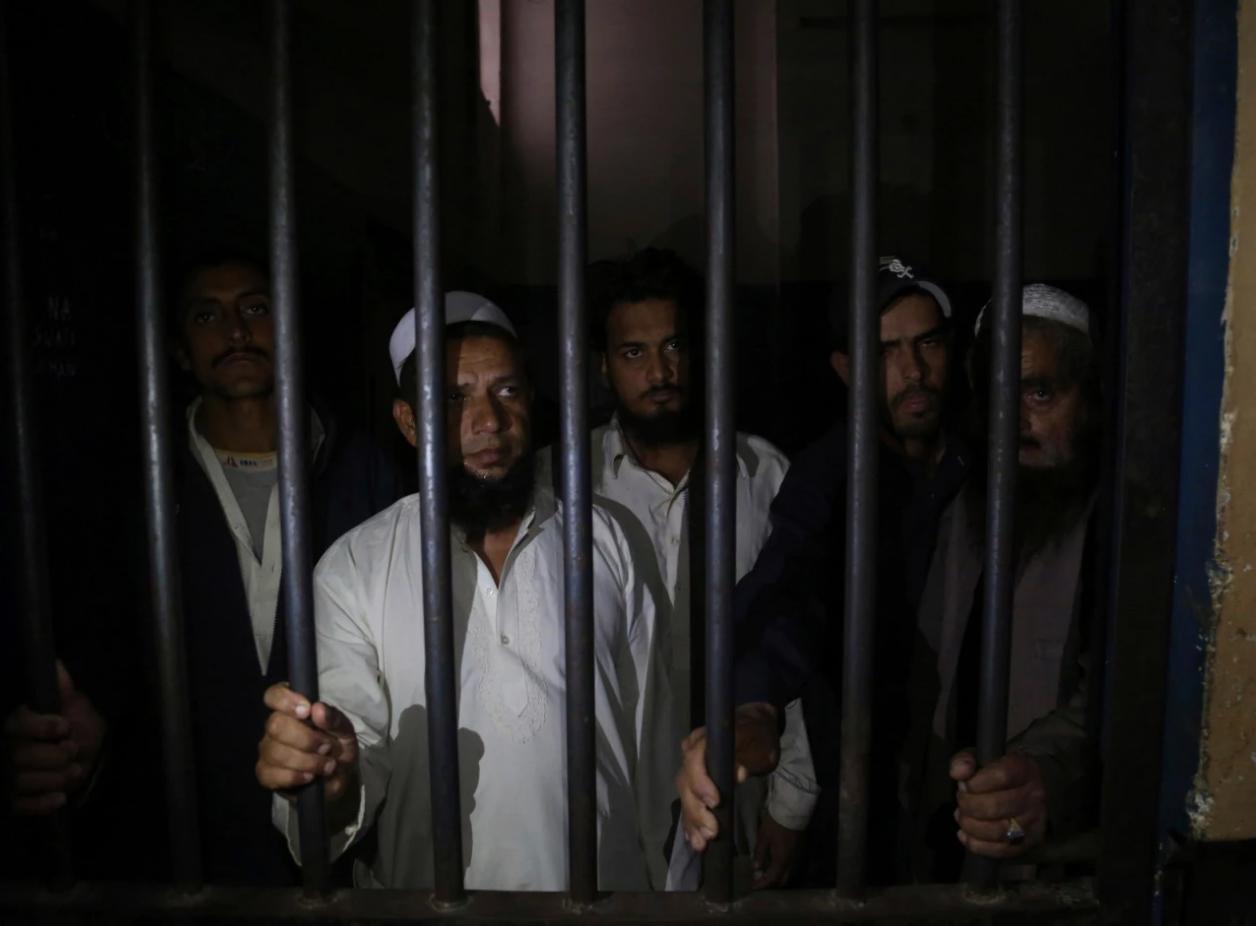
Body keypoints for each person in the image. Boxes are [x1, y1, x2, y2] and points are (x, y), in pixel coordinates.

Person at [255, 293, 674, 891]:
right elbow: (351, 754)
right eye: (453, 398)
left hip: (603, 900)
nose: (488, 421)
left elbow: (654, 749)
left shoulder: (608, 538)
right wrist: (330, 777)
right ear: (408, 422)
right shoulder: (355, 567)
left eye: (506, 391)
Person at [3, 253, 399, 883]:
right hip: (171, 851)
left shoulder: (366, 470)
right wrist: (86, 740)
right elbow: (103, 644)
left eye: (256, 308)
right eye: (208, 314)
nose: (237, 331)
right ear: (180, 350)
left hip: (335, 851)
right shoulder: (131, 485)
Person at [676, 255, 969, 885]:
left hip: (977, 776)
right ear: (848, 370)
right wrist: (756, 705)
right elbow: (787, 586)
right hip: (875, 782)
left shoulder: (988, 459)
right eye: (886, 352)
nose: (913, 371)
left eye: (927, 345)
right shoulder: (830, 475)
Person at [561, 248, 819, 889]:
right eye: (633, 352)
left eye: (674, 345)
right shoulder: (560, 484)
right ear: (601, 365)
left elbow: (810, 638)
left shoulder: (766, 476)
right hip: (601, 804)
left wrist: (793, 802)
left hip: (738, 793)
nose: (658, 370)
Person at [908, 283, 1102, 879]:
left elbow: (1118, 702)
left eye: (1040, 392)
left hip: (1061, 861)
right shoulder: (964, 507)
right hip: (949, 836)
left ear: (1088, 400)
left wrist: (1045, 776)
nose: (1015, 419)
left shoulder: (1115, 527)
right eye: (998, 395)